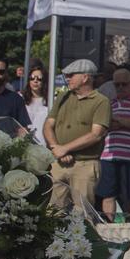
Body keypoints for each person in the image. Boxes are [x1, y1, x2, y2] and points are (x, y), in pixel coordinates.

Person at [44, 59, 109, 214]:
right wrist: (55, 148)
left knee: (83, 214)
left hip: (85, 165)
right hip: (59, 162)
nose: (67, 79)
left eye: (71, 75)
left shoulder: (101, 101)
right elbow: (48, 125)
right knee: (52, 213)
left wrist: (64, 149)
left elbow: (96, 134)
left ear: (85, 77)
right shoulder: (63, 97)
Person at [98, 66, 130, 221]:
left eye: (124, 84)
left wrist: (118, 121)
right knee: (108, 193)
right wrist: (126, 122)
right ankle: (110, 228)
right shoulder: (109, 104)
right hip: (109, 155)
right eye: (117, 84)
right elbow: (105, 124)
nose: (120, 87)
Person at [20, 65, 49, 140]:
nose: (35, 81)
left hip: (42, 141)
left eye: (39, 79)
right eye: (32, 78)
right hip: (23, 141)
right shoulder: (20, 98)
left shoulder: (50, 101)